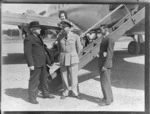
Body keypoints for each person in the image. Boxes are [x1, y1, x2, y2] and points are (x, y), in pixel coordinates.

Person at [24, 21, 55, 104]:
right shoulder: (29, 38)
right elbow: (27, 53)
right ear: (33, 29)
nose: (40, 29)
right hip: (35, 63)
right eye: (38, 28)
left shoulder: (38, 37)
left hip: (42, 62)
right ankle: (32, 98)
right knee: (34, 81)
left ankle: (46, 94)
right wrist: (30, 64)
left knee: (44, 79)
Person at [57, 21, 83, 99]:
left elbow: (79, 48)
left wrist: (75, 56)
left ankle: (75, 92)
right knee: (64, 75)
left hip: (72, 57)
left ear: (69, 28)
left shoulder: (75, 36)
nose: (63, 29)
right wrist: (62, 54)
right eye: (62, 27)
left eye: (65, 27)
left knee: (73, 76)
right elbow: (59, 48)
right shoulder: (60, 36)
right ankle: (65, 92)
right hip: (63, 57)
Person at [98, 24, 114, 106]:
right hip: (102, 62)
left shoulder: (109, 38)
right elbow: (104, 51)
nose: (100, 31)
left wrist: (105, 65)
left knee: (105, 82)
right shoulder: (105, 38)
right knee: (106, 81)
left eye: (101, 30)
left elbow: (110, 53)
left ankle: (106, 100)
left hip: (105, 64)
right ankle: (109, 98)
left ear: (106, 29)